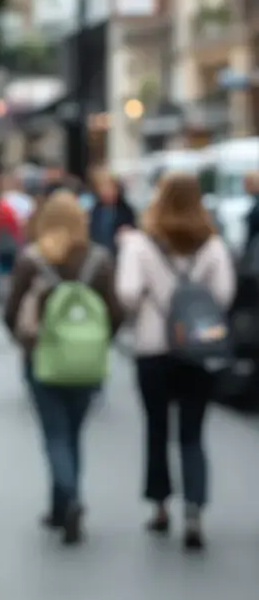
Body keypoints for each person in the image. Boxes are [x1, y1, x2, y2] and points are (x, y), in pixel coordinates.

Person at [116, 173, 235, 550]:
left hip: (153, 348)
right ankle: (195, 508)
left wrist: (154, 301)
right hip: (197, 351)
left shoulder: (139, 244)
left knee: (156, 428)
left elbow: (128, 293)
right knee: (192, 432)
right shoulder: (212, 245)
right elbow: (224, 295)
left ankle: (160, 505)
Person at [3, 191, 124, 545]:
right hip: (86, 362)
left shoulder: (32, 259)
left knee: (55, 434)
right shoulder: (99, 260)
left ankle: (67, 499)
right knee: (73, 433)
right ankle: (64, 503)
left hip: (42, 358)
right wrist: (97, 341)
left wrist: (26, 341)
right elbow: (116, 312)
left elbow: (10, 311)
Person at [88, 166, 135, 255]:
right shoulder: (94, 211)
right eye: (103, 188)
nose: (107, 192)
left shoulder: (126, 211)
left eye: (111, 187)